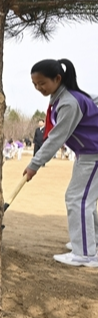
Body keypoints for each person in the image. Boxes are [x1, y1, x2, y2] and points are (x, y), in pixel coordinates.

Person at [23, 59, 98, 268]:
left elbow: (56, 138)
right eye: (35, 84)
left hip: (94, 154)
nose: (38, 88)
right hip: (87, 154)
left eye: (42, 83)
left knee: (78, 199)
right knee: (83, 198)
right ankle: (90, 241)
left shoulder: (68, 102)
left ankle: (85, 253)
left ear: (57, 79)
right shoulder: (63, 97)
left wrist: (35, 164)